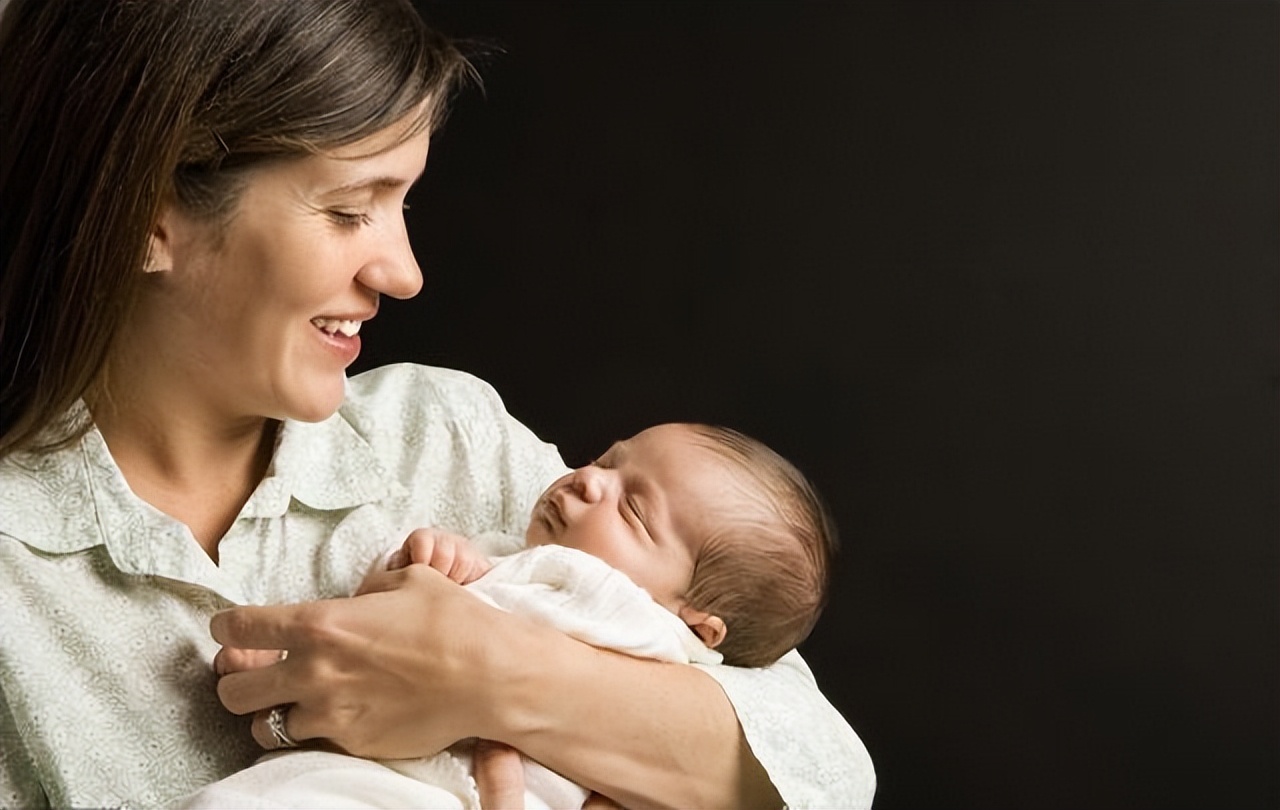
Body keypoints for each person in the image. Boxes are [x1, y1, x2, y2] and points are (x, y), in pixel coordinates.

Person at [0, 1, 875, 808]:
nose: (404, 272)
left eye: (404, 202)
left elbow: (824, 771)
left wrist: (488, 674)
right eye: (349, 210)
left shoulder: (448, 439)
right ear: (148, 216)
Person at [183, 422, 838, 808]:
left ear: (697, 624)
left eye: (633, 511)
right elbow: (398, 640)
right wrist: (424, 564)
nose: (587, 480)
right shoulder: (525, 558)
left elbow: (821, 764)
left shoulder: (630, 620)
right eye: (608, 461)